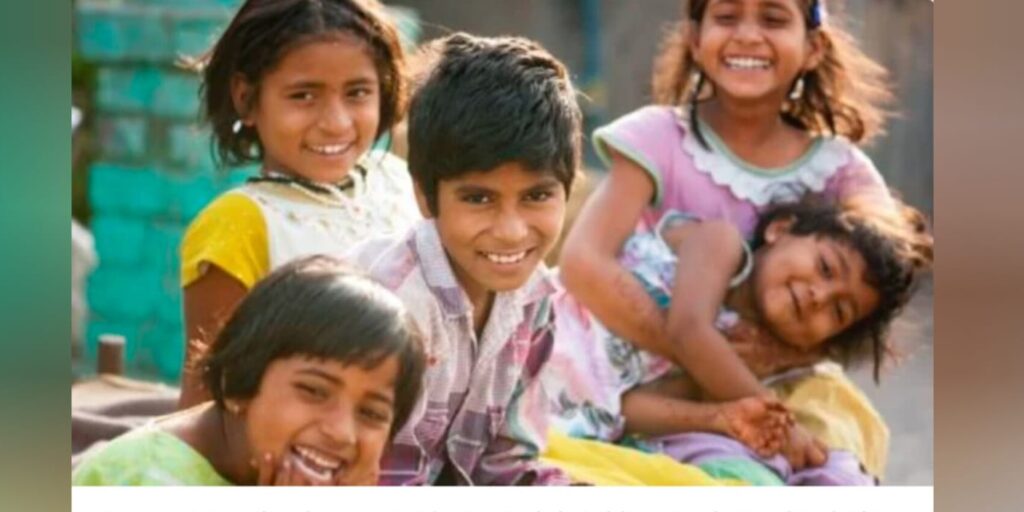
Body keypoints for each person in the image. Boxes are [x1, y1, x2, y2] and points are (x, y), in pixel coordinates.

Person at [558, 0, 897, 466]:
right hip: (641, 355)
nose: (748, 35)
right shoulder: (658, 137)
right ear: (695, 38)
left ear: (814, 47)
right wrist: (708, 356)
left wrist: (770, 360)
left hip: (766, 381)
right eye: (727, 17)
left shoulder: (841, 171)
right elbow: (583, 263)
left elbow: (883, 281)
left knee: (833, 454)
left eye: (774, 19)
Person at [544, 196, 932, 485]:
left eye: (838, 311)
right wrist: (782, 423)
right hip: (540, 340)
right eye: (825, 268)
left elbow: (625, 409)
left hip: (562, 412)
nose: (819, 295)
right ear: (779, 229)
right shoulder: (720, 244)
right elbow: (689, 330)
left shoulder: (731, 362)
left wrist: (722, 417)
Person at [344, 33, 582, 485]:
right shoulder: (392, 303)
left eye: (537, 195)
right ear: (425, 197)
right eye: (478, 198)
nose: (511, 230)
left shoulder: (536, 298)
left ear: (567, 190)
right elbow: (371, 474)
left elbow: (505, 462)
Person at [177, 0, 420, 408]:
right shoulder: (239, 224)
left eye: (357, 92)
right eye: (304, 95)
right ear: (246, 99)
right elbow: (208, 401)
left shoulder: (399, 181)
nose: (336, 122)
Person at [73, 256, 426, 486]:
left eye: (371, 413)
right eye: (314, 391)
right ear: (237, 385)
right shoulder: (147, 480)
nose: (341, 432)